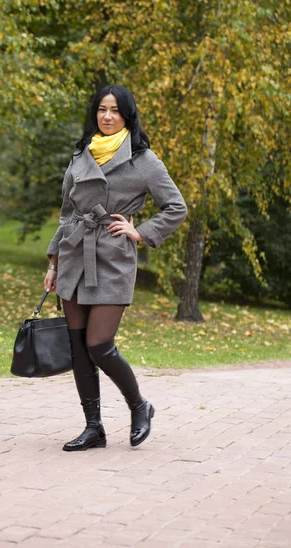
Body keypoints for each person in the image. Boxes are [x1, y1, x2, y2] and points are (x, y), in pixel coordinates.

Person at [44, 84, 187, 452]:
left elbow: (176, 207)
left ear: (127, 115)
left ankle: (140, 406)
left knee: (99, 344)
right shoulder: (81, 155)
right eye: (102, 109)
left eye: (115, 110)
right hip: (75, 255)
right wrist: (53, 260)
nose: (107, 116)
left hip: (113, 258)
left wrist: (140, 232)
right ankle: (94, 428)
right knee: (78, 347)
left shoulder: (144, 160)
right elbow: (66, 213)